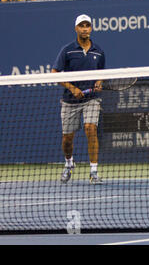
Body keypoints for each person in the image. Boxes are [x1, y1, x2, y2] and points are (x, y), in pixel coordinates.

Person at [52, 14, 106, 185]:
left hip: (92, 99)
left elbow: (101, 74)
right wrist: (72, 88)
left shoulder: (98, 51)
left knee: (90, 128)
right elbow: (54, 74)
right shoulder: (67, 50)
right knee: (67, 139)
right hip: (70, 101)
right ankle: (69, 163)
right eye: (81, 26)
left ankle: (94, 171)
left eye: (87, 25)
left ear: (91, 28)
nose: (85, 28)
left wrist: (99, 82)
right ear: (76, 28)